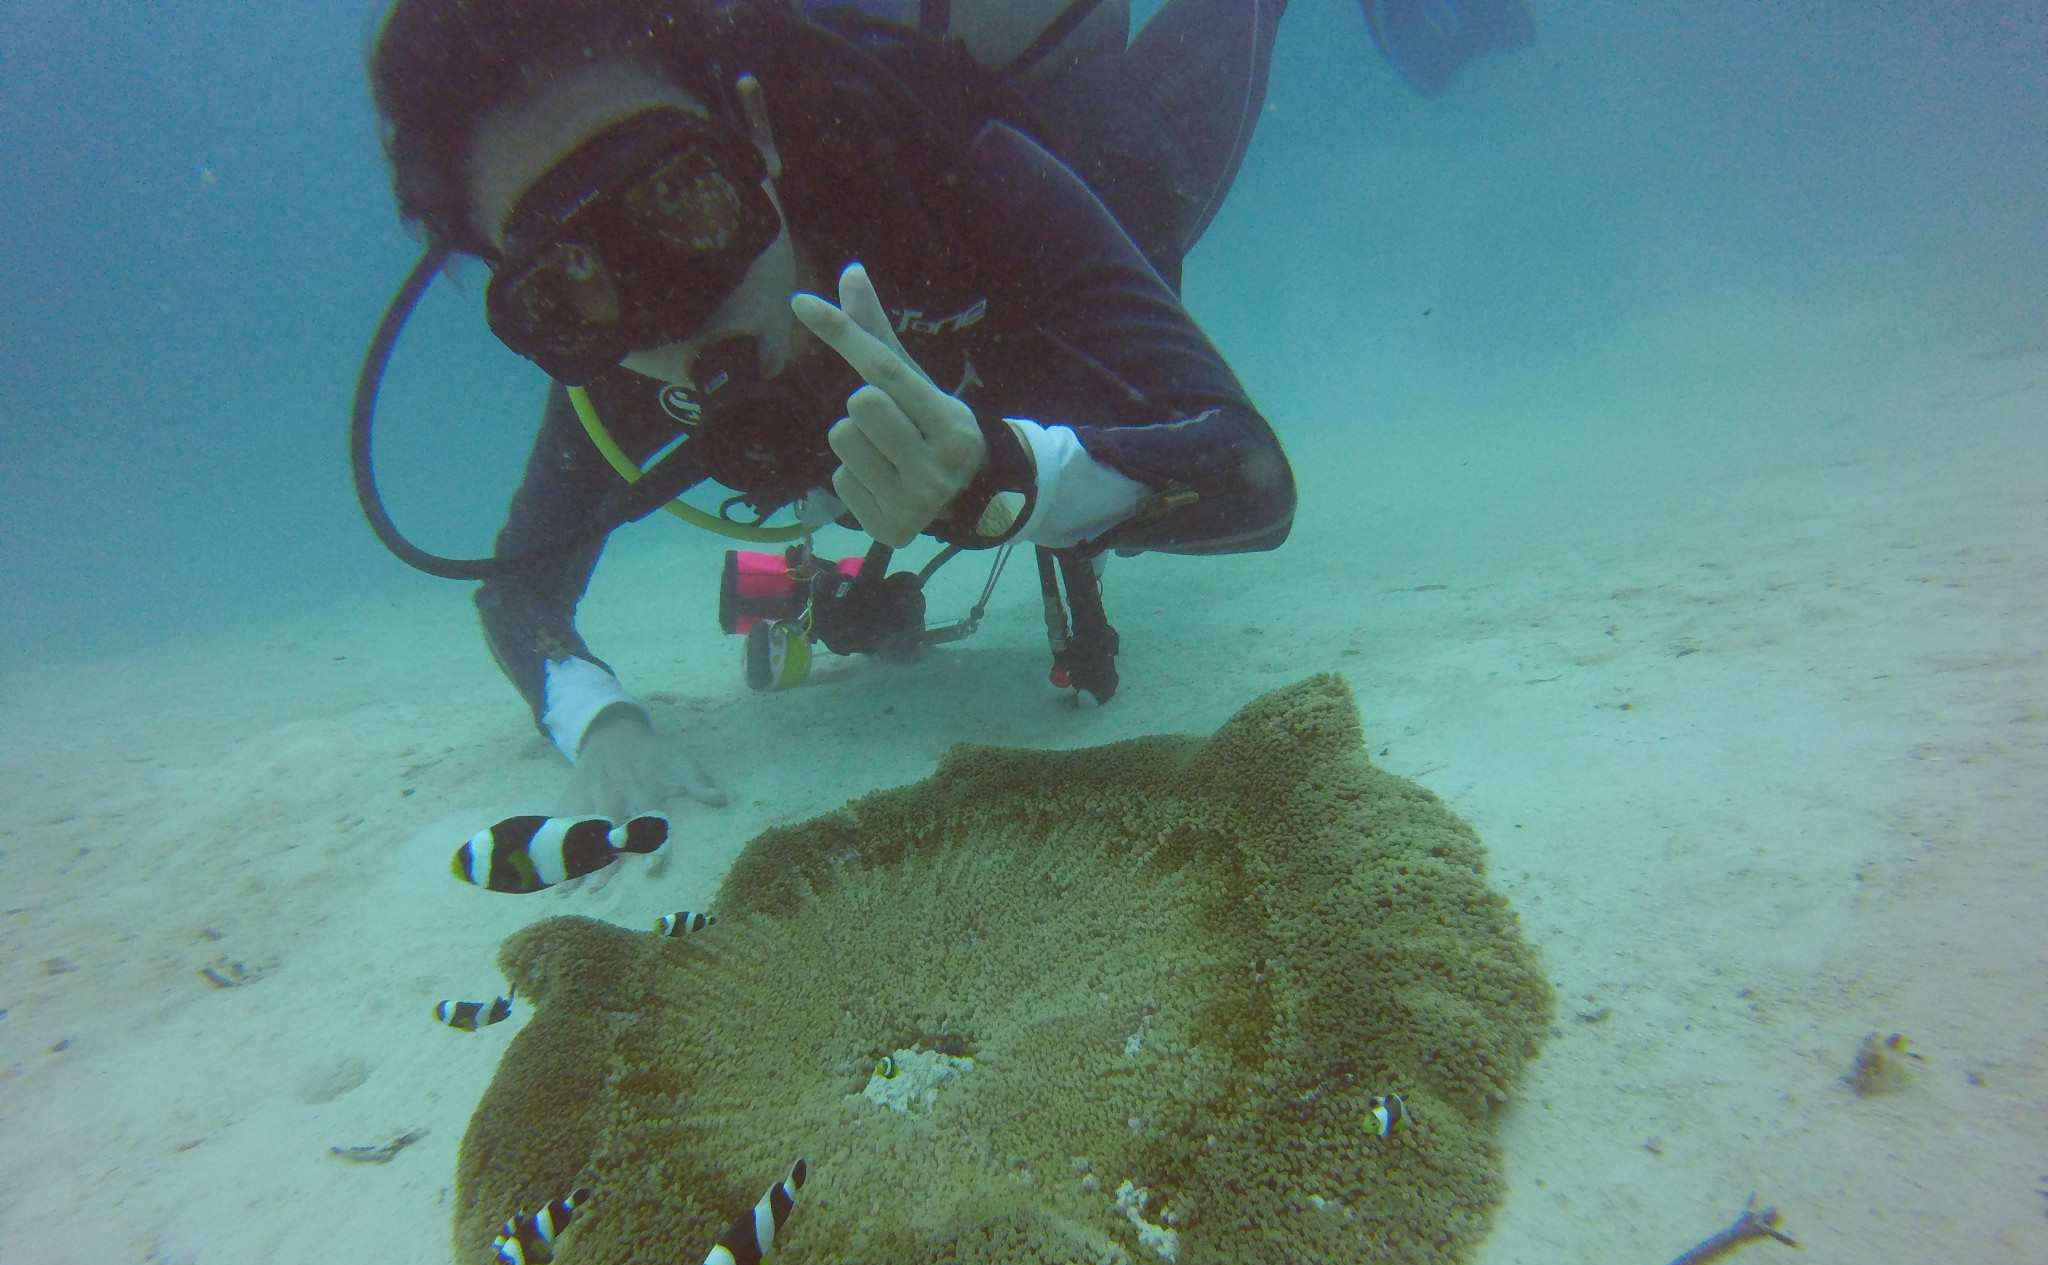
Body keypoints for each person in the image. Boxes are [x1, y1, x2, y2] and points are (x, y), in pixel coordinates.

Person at [360, 0, 1531, 843]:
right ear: (538, 318)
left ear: (756, 141)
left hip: (1107, 177)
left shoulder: (958, 174)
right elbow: (517, 593)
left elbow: (1248, 475)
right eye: (572, 285)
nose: (676, 304)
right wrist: (600, 720)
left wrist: (1005, 479)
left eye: (680, 195)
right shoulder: (614, 376)